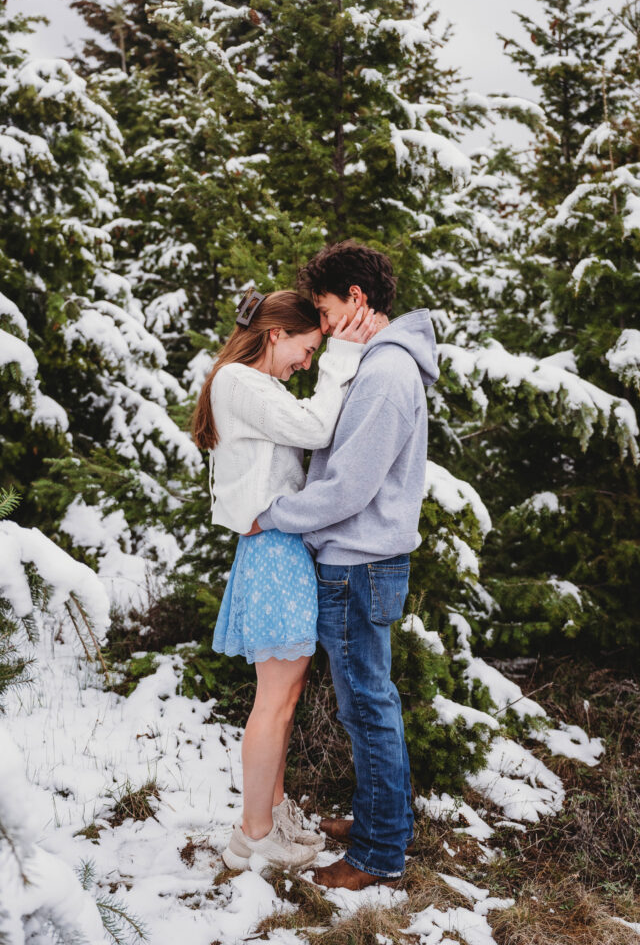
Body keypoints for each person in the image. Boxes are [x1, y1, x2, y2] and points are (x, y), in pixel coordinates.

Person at [250, 241, 439, 889]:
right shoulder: (378, 366)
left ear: (357, 300)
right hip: (358, 559)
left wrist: (273, 514)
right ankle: (375, 825)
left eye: (326, 311)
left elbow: (349, 488)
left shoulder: (386, 375)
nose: (323, 326)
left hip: (359, 563)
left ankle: (378, 853)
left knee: (367, 705)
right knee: (365, 702)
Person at [192, 288, 377, 871]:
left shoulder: (255, 386)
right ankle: (253, 835)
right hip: (274, 550)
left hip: (279, 549)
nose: (307, 359)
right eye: (307, 345)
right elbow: (317, 429)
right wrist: (343, 357)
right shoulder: (239, 383)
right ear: (277, 333)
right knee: (274, 701)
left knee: (284, 697)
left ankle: (268, 815)